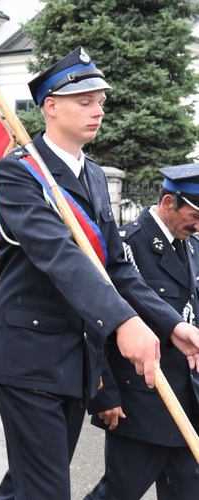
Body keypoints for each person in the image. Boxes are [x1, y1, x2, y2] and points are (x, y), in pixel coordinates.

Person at [0, 46, 199, 499]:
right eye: (84, 101)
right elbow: (63, 257)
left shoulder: (95, 176)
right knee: (46, 489)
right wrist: (124, 322)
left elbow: (118, 267)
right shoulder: (18, 173)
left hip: (74, 359)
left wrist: (173, 325)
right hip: (29, 357)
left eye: (100, 101)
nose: (97, 110)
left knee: (28, 484)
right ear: (51, 106)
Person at [85, 164, 199, 499]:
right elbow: (96, 325)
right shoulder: (126, 248)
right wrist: (103, 393)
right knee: (120, 492)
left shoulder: (192, 246)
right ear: (167, 204)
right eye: (193, 215)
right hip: (141, 401)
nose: (197, 225)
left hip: (186, 403)